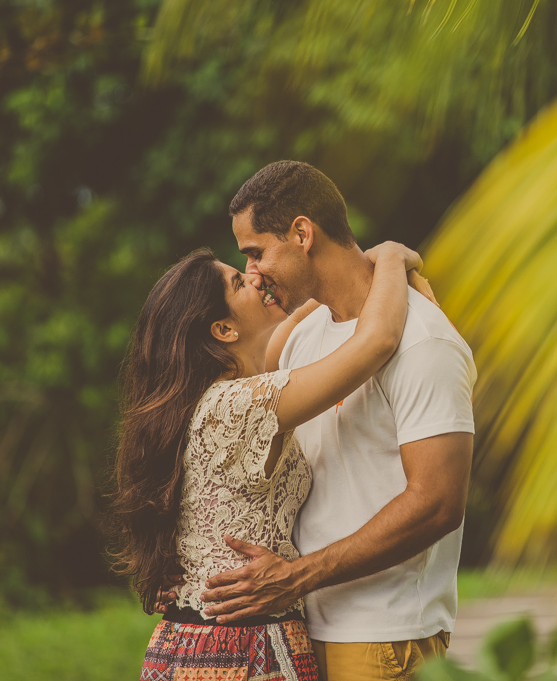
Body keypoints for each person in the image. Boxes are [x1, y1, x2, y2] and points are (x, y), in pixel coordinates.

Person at [192, 161, 477, 681]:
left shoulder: (423, 341)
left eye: (256, 253)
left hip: (383, 635)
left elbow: (437, 503)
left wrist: (297, 577)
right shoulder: (303, 336)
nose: (252, 273)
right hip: (299, 634)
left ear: (302, 234)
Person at [111, 241, 424, 681]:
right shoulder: (240, 406)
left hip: (204, 638)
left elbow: (314, 302)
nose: (255, 277)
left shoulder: (216, 398)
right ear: (224, 330)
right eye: (239, 282)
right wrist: (393, 256)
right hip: (242, 647)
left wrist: (353, 265)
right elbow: (376, 341)